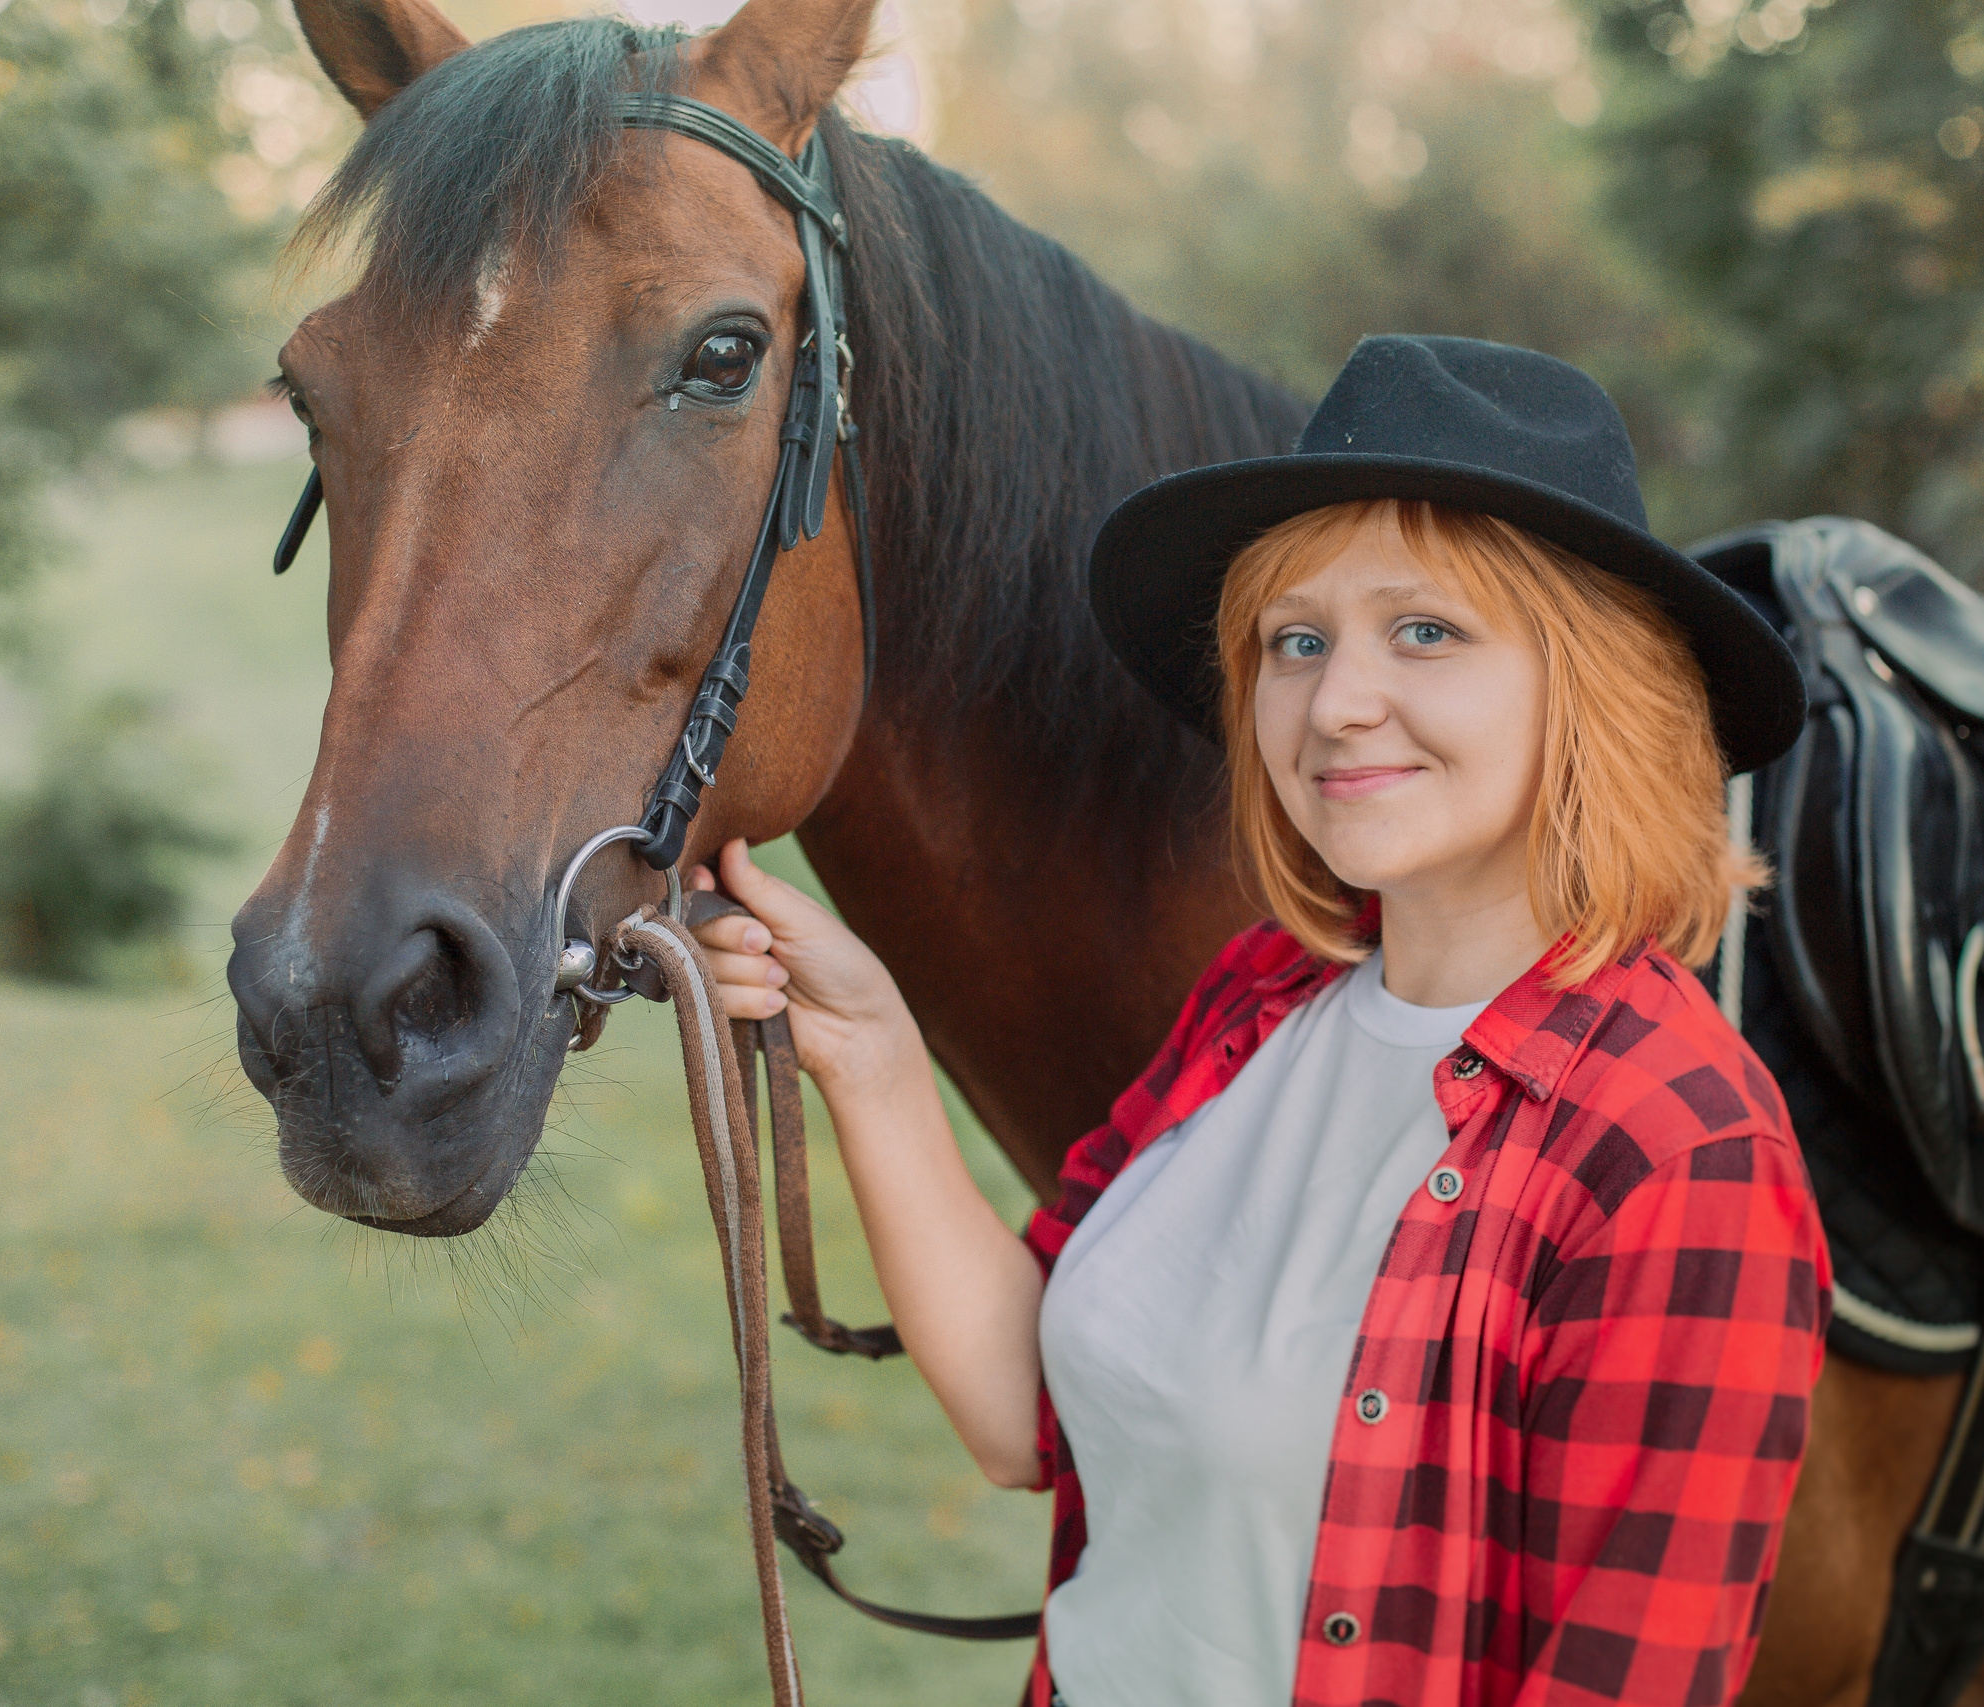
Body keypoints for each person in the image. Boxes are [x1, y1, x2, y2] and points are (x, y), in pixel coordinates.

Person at [689, 336, 1829, 1707]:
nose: (1335, 705)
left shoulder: (1673, 1147)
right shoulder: (1257, 1007)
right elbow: (1020, 1421)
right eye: (1297, 640)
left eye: (1426, 631)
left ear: (1593, 690)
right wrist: (869, 1051)